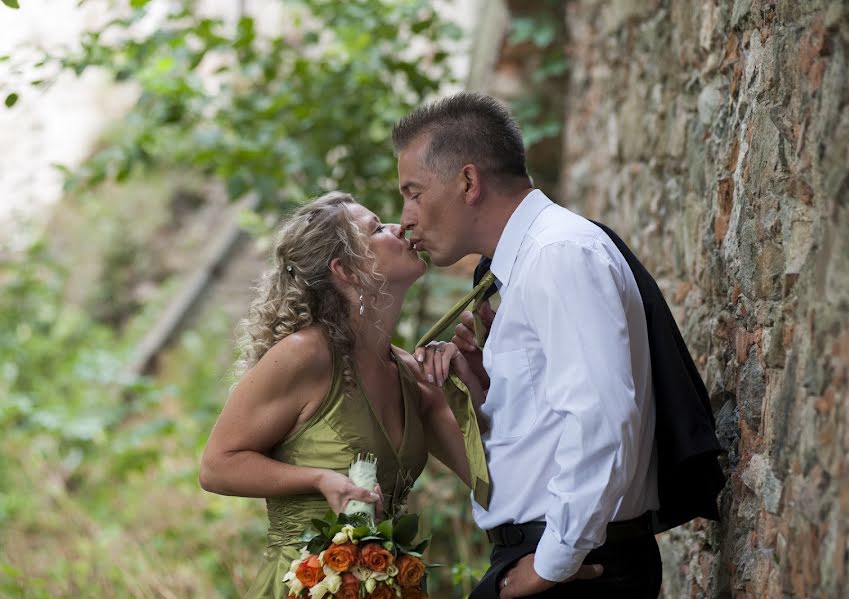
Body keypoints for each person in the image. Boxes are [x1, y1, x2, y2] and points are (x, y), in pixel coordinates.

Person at [394, 93, 663, 599]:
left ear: (468, 182)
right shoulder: (524, 266)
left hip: (575, 567)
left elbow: (603, 415)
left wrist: (554, 561)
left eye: (413, 192)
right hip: (549, 555)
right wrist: (483, 384)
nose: (405, 217)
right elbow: (552, 418)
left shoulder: (558, 254)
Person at [199, 191, 483, 598]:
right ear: (347, 270)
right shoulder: (304, 356)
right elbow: (215, 467)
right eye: (376, 228)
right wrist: (319, 479)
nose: (398, 227)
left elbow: (484, 476)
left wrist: (469, 381)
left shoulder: (410, 374)